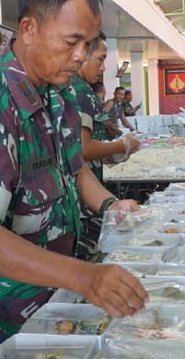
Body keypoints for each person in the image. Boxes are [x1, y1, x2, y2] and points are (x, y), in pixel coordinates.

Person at [0, 0, 147, 345]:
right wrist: (83, 277)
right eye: (71, 41)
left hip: (56, 288)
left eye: (88, 44)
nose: (80, 56)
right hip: (5, 306)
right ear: (29, 29)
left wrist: (111, 206)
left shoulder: (61, 91)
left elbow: (75, 170)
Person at [71, 31, 140, 259]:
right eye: (100, 59)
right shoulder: (81, 92)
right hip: (82, 199)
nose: (103, 68)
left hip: (84, 190)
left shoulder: (69, 91)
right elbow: (83, 149)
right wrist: (122, 146)